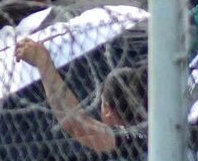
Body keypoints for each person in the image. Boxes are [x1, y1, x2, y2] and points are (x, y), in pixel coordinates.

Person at [15, 38, 147, 154]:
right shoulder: (156, 127)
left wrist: (43, 64)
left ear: (107, 111)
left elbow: (77, 124)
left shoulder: (136, 139)